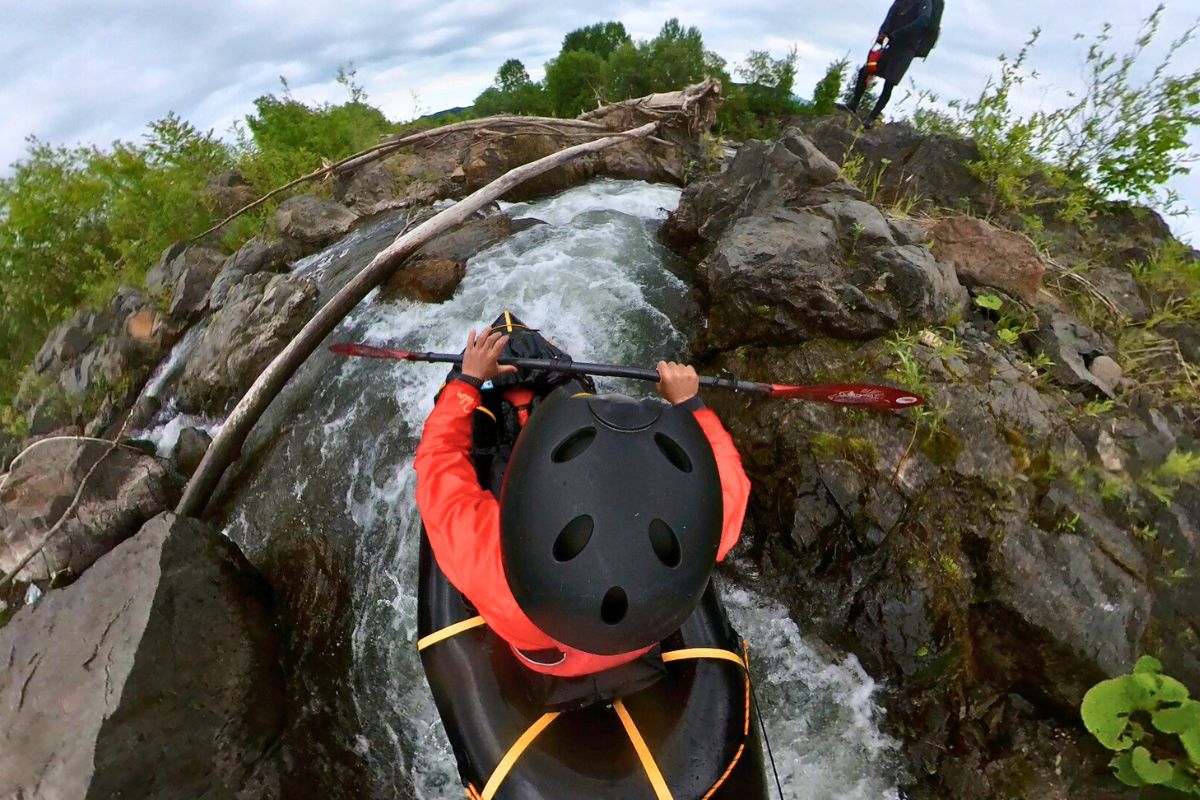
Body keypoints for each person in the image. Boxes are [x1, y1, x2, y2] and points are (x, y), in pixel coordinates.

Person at [414, 328, 751, 680]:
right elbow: (730, 480)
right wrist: (690, 403)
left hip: (543, 659)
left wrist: (468, 382)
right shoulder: (704, 530)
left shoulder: (485, 564)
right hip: (634, 642)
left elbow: (438, 457)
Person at [846, 0, 940, 128]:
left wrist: (899, 33)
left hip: (907, 49)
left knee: (889, 83)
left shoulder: (925, 2)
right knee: (866, 70)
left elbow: (923, 22)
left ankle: (871, 118)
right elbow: (890, 16)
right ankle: (853, 104)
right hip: (892, 43)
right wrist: (882, 34)